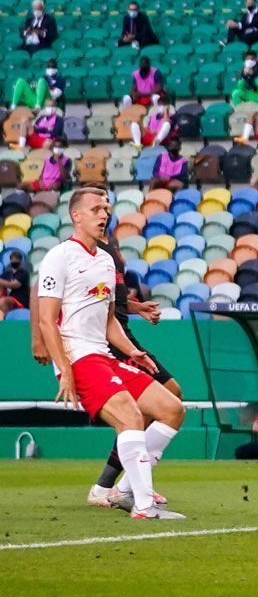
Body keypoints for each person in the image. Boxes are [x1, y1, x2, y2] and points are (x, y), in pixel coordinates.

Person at [35, 186, 186, 519]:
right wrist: (65, 370)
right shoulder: (59, 257)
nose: (104, 214)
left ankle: (126, 489)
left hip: (103, 354)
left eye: (106, 208)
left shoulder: (105, 259)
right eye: (95, 209)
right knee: (130, 417)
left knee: (172, 409)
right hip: (78, 357)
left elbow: (108, 321)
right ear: (76, 216)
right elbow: (47, 321)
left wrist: (134, 352)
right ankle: (143, 506)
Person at [79, 229, 183, 509]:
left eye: (105, 204)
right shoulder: (81, 251)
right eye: (98, 204)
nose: (103, 210)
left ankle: (122, 485)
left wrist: (136, 308)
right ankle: (112, 487)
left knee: (171, 396)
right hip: (108, 341)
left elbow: (112, 299)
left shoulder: (108, 245)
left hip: (124, 333)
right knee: (142, 411)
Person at [0, 249, 30, 313]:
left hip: (20, 300)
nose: (14, 261)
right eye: (13, 259)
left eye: (17, 259)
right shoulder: (7, 273)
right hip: (9, 298)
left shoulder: (24, 273)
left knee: (3, 301)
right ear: (10, 260)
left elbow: (14, 285)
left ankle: (7, 321)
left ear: (20, 261)